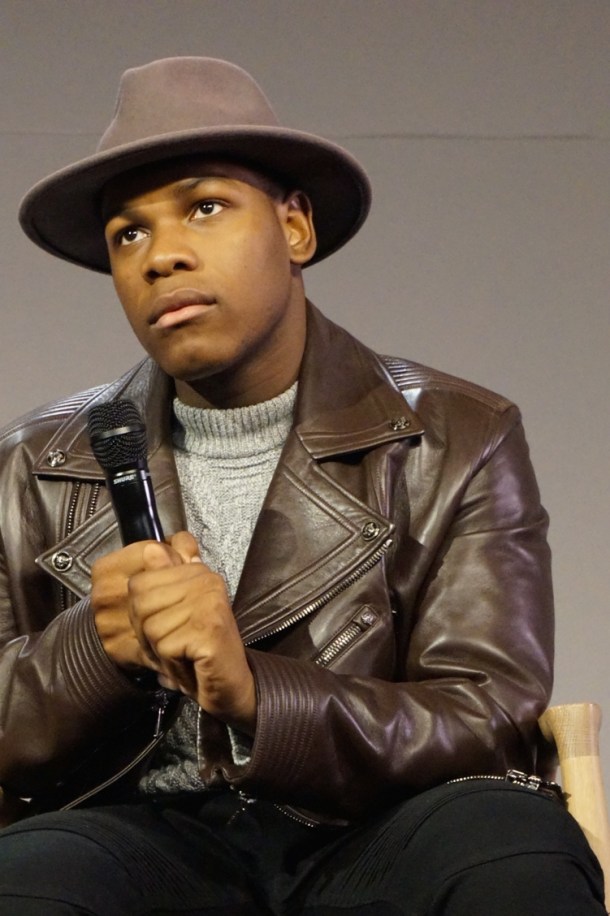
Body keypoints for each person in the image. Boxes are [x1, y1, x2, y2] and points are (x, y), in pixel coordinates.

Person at [0, 57, 604, 915]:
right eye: (127, 234)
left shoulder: (455, 435)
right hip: (142, 837)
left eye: (204, 207)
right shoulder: (33, 463)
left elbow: (486, 714)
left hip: (383, 831)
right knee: (28, 878)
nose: (161, 256)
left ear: (294, 229)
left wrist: (256, 696)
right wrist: (94, 649)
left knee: (511, 849)